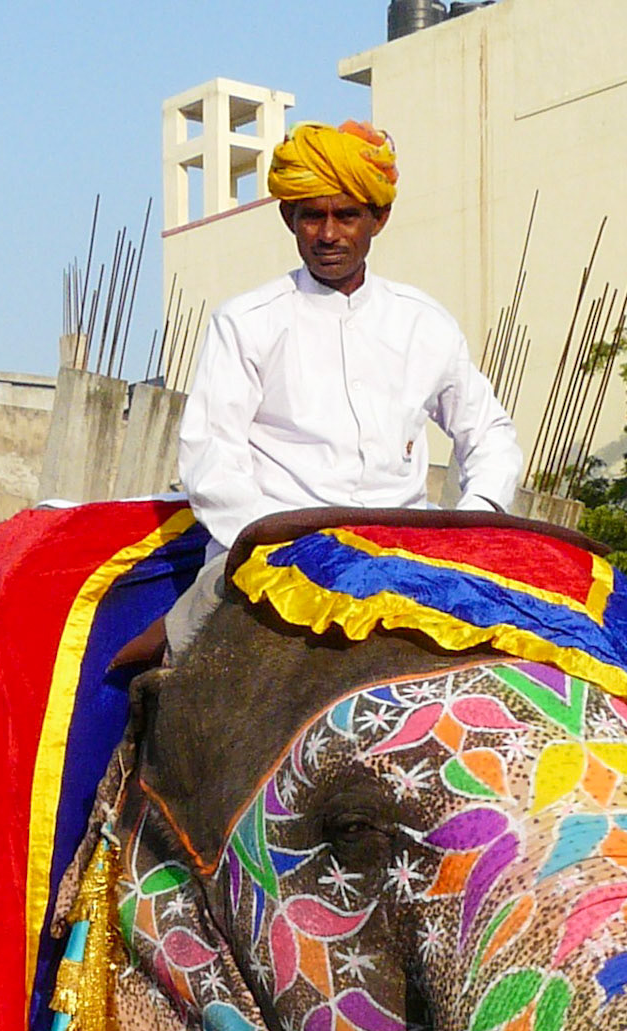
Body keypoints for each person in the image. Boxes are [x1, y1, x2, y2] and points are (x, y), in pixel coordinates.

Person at [167, 119, 524, 655]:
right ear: (291, 218)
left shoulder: (424, 324)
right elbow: (211, 461)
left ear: (378, 218)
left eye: (347, 215)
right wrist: (279, 545)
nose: (329, 234)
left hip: (405, 560)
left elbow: (491, 435)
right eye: (313, 216)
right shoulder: (245, 321)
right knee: (181, 668)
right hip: (272, 554)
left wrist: (476, 522)